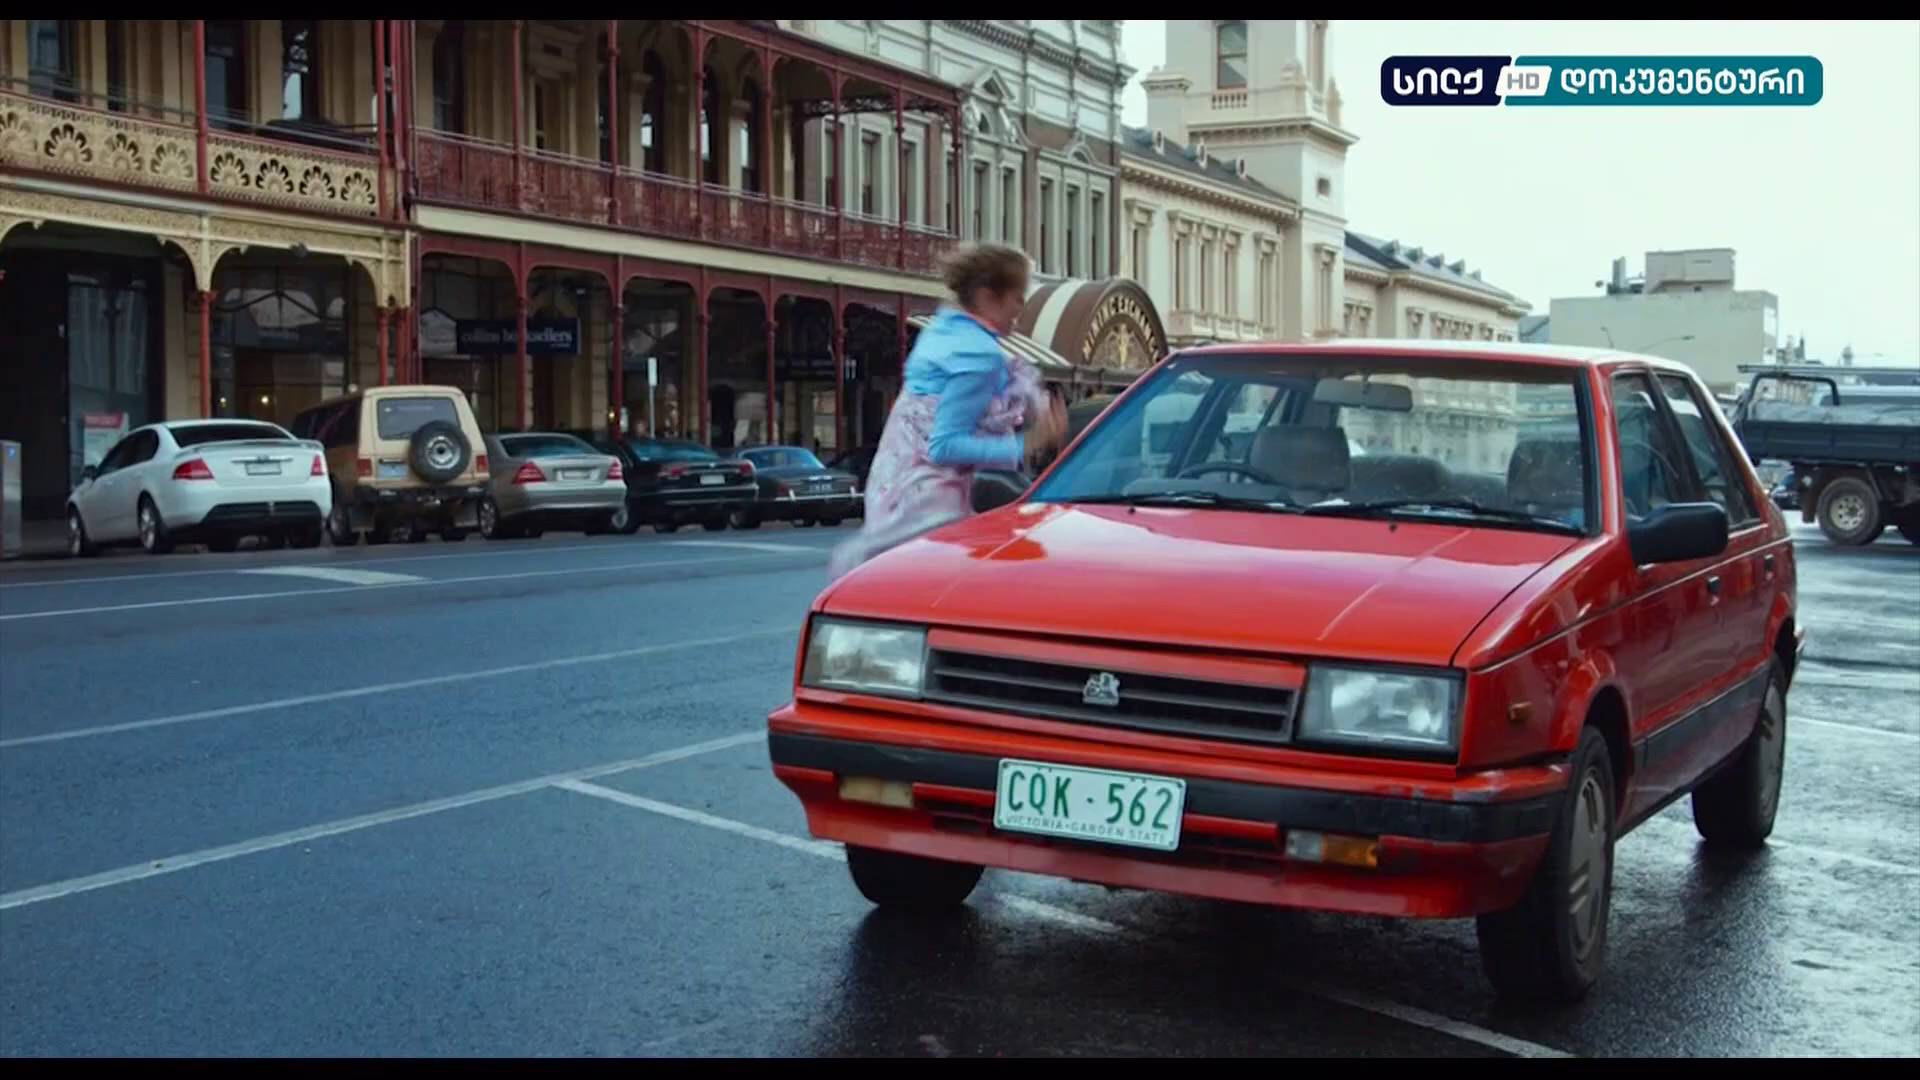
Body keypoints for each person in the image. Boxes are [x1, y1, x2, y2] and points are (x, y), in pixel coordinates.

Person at [827, 244, 1067, 580]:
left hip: (894, 480)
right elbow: (944, 446)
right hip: (929, 501)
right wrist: (1024, 445)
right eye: (1017, 297)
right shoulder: (977, 356)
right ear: (988, 297)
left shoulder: (944, 331)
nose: (1021, 307)